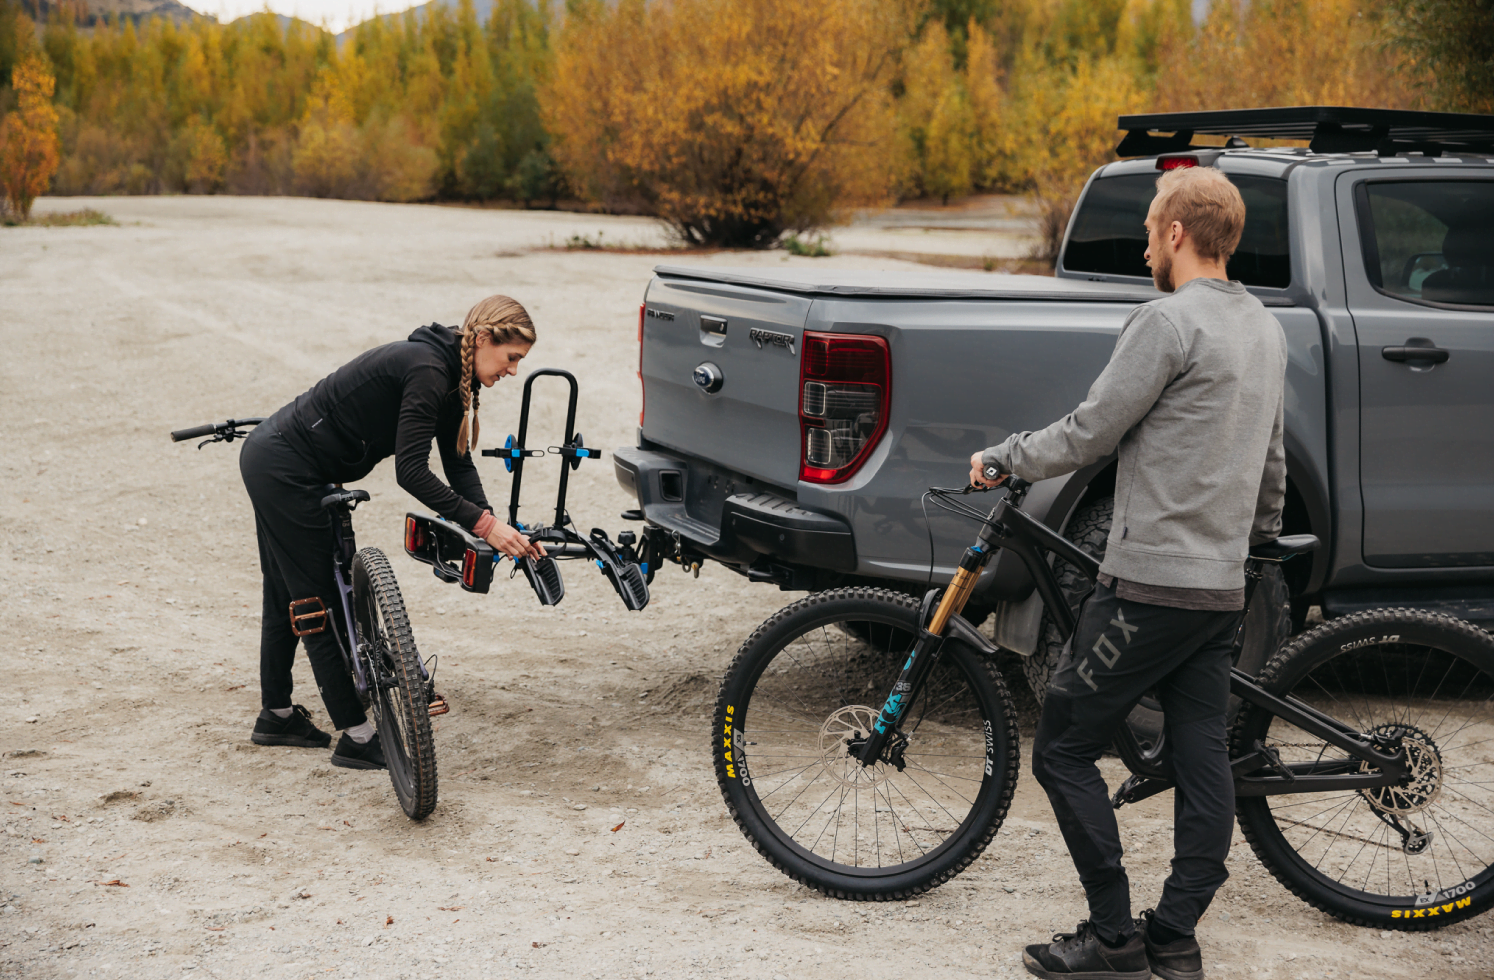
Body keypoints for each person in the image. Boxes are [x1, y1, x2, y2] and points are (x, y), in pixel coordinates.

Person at [969, 166, 1286, 980]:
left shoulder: (1167, 322)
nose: (1148, 241)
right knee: (1200, 754)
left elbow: (1089, 432)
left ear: (1178, 233)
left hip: (1148, 587)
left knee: (1063, 748)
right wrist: (1247, 556)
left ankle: (1114, 939)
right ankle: (1175, 935)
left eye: (1151, 228)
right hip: (1218, 588)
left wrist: (1003, 458)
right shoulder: (1264, 328)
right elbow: (1272, 466)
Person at [240, 295, 546, 771]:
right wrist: (485, 524)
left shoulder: (454, 376)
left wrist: (496, 529)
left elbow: (458, 464)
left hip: (287, 464)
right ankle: (358, 738)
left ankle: (277, 716)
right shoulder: (428, 370)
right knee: (315, 600)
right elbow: (411, 472)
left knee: (286, 588)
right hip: (284, 469)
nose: (513, 371)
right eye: (512, 358)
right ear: (484, 339)